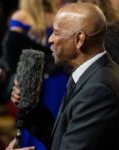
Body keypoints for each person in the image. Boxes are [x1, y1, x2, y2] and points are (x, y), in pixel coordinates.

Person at [7, 2, 119, 150]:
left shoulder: (98, 89)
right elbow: (60, 138)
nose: (50, 40)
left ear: (79, 39)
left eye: (57, 32)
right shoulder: (89, 74)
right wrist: (30, 105)